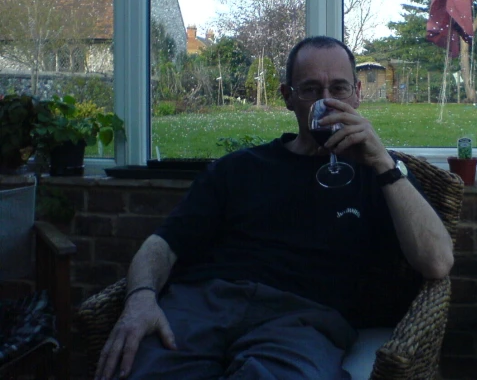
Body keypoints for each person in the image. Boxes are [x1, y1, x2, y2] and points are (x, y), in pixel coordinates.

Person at [94, 36, 454, 380]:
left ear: (358, 94)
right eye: (311, 89)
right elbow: (162, 245)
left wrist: (382, 164)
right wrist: (140, 299)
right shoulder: (241, 168)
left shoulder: (381, 173)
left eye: (339, 89)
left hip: (301, 321)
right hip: (204, 305)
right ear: (287, 97)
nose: (326, 102)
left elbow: (437, 262)